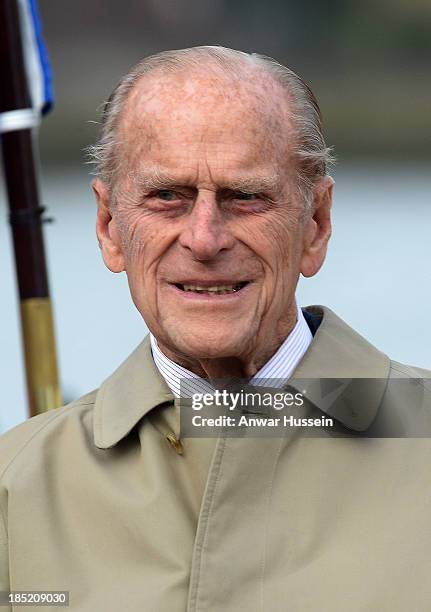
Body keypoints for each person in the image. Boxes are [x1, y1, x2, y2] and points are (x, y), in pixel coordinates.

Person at [0, 46, 430, 612]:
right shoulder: (16, 487)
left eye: (246, 197)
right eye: (166, 197)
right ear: (109, 228)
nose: (205, 239)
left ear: (316, 225)